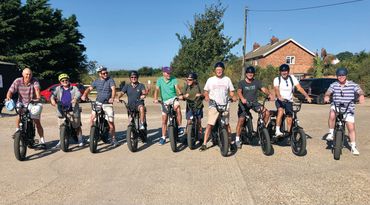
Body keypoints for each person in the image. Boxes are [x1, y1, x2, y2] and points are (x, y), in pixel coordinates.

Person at [324, 67, 365, 156]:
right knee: (332, 114)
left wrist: (361, 96)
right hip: (336, 106)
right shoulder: (334, 85)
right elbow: (328, 92)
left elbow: (360, 91)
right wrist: (327, 96)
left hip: (348, 109)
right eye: (339, 75)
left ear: (346, 76)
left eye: (343, 75)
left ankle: (353, 147)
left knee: (351, 127)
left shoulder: (353, 85)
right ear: (337, 76)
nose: (341, 77)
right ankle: (331, 133)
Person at [200, 62, 237, 151]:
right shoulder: (210, 80)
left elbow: (231, 91)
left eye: (220, 69)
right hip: (213, 105)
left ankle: (231, 142)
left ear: (223, 70)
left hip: (224, 105)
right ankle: (204, 143)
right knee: (210, 124)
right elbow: (205, 91)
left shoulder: (227, 79)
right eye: (217, 70)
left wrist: (233, 96)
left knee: (227, 124)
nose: (219, 71)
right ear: (215, 70)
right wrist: (206, 96)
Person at [235, 66, 272, 148]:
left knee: (266, 113)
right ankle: (237, 139)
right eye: (248, 73)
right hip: (244, 104)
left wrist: (269, 94)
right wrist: (242, 98)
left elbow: (263, 89)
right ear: (246, 74)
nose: (250, 74)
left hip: (254, 103)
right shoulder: (241, 83)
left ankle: (262, 130)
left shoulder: (256, 82)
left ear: (253, 74)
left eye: (251, 73)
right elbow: (239, 91)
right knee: (241, 119)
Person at [6, 67, 46, 144]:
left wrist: (38, 98)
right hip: (21, 102)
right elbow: (10, 91)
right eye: (27, 74)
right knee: (19, 115)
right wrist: (8, 98)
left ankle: (42, 141)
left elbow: (37, 89)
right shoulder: (18, 81)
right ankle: (17, 131)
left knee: (37, 121)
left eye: (30, 74)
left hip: (33, 102)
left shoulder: (34, 81)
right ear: (23, 74)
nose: (28, 76)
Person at [81, 66, 118, 146]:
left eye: (106, 72)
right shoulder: (96, 81)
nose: (105, 74)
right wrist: (84, 95)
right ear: (99, 74)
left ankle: (113, 139)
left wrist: (112, 98)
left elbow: (113, 89)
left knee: (111, 122)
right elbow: (89, 89)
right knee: (92, 119)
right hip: (98, 102)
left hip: (107, 103)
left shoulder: (110, 80)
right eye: (103, 73)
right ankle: (92, 135)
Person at [273, 64, 312, 137]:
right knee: (280, 111)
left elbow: (299, 88)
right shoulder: (277, 79)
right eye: (282, 71)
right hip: (280, 100)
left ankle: (289, 134)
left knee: (290, 117)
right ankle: (277, 131)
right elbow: (276, 89)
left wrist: (307, 96)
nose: (284, 73)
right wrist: (279, 97)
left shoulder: (292, 78)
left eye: (286, 71)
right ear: (280, 72)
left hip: (289, 101)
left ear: (288, 72)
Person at [50, 73, 84, 147]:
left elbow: (78, 94)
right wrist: (52, 100)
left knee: (77, 126)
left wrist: (75, 98)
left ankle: (80, 139)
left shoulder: (74, 88)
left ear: (68, 80)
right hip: (61, 110)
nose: (65, 81)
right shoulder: (58, 88)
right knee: (61, 126)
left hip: (73, 110)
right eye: (62, 80)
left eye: (66, 80)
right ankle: (61, 140)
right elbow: (53, 95)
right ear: (60, 82)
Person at [153, 66, 183, 145]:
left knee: (178, 108)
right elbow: (156, 89)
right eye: (167, 73)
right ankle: (163, 137)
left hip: (173, 98)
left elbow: (177, 88)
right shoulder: (159, 80)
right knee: (164, 120)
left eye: (170, 72)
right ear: (163, 73)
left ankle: (179, 127)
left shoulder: (174, 79)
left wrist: (180, 94)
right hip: (164, 101)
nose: (169, 74)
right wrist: (156, 98)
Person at [178, 72, 204, 138]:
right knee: (189, 121)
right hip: (189, 106)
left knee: (199, 121)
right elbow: (182, 94)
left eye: (190, 80)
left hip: (198, 105)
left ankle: (200, 135)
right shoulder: (186, 85)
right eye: (187, 79)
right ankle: (187, 136)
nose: (188, 81)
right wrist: (183, 96)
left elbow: (204, 94)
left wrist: (200, 95)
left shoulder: (199, 85)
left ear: (194, 80)